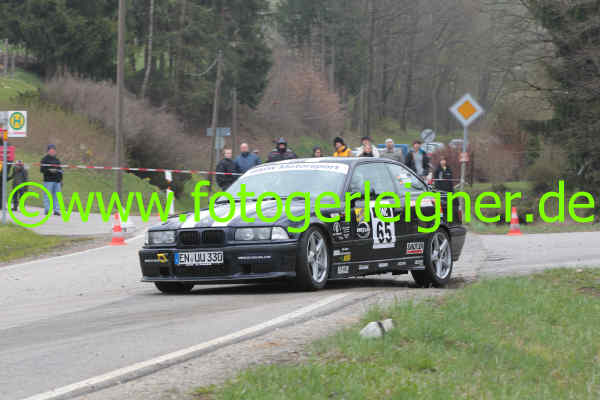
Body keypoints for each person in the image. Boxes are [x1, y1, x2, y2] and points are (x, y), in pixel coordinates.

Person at [41, 144, 63, 216]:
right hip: (48, 180)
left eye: (53, 150)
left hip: (57, 181)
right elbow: (42, 170)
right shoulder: (44, 159)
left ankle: (56, 210)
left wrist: (61, 180)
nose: (52, 152)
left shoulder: (57, 160)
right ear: (48, 151)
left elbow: (60, 170)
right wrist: (49, 170)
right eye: (51, 150)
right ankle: (47, 209)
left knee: (57, 196)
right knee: (47, 195)